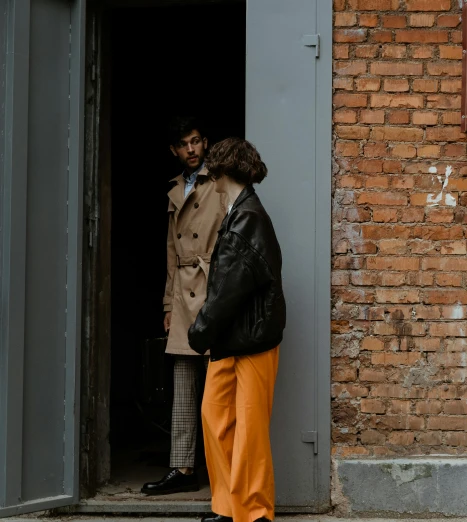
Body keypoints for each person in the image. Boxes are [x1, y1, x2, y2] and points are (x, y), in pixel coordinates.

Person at [188, 138, 286, 522]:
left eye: (213, 168)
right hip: (235, 339)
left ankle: (256, 512)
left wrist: (200, 331)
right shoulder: (240, 211)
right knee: (218, 418)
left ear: (223, 172)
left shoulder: (248, 217)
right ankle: (230, 506)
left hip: (252, 340)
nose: (209, 173)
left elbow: (229, 287)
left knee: (249, 431)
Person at [142, 117, 227, 495]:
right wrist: (166, 303)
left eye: (196, 142)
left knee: (220, 385)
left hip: (212, 288)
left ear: (205, 143)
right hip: (181, 294)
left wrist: (224, 294)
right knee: (182, 385)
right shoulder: (175, 189)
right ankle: (183, 468)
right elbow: (170, 253)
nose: (191, 149)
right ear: (174, 150)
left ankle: (222, 468)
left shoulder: (220, 182)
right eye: (184, 144)